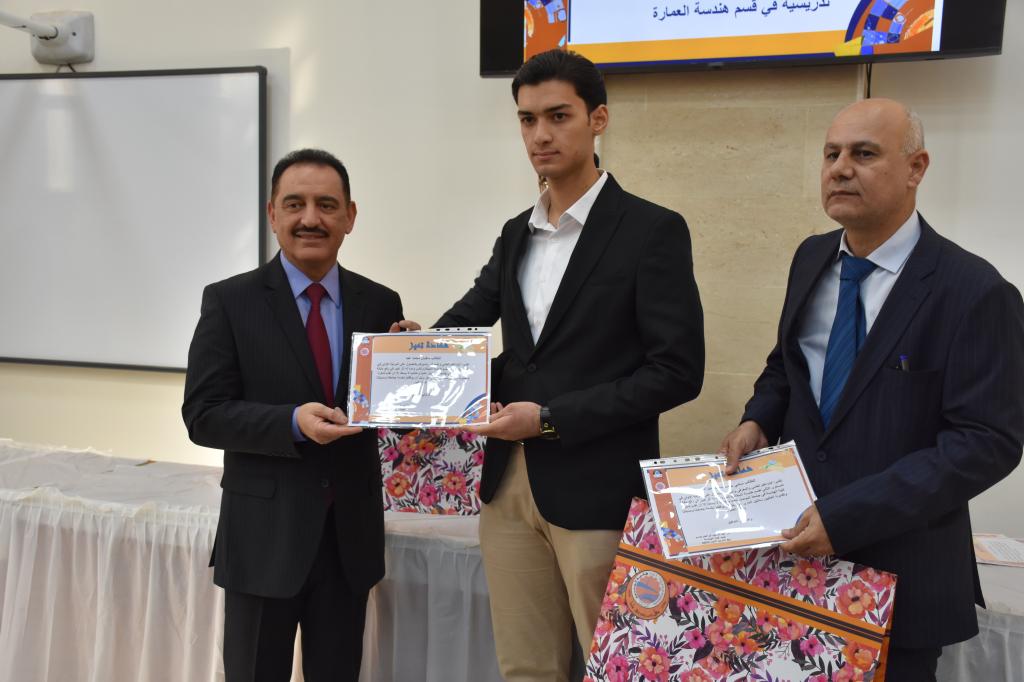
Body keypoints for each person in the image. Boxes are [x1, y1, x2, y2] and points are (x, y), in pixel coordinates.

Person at [718, 98, 1024, 681]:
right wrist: (757, 419)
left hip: (900, 585)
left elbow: (986, 443)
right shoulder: (811, 258)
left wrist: (848, 516)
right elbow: (786, 366)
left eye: (863, 154)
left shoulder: (975, 291)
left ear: (916, 168)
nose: (839, 169)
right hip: (792, 572)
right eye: (831, 154)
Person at [431, 49, 705, 680]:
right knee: (526, 669)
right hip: (506, 487)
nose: (540, 135)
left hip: (597, 488)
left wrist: (550, 418)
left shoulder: (651, 230)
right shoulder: (514, 234)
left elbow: (677, 371)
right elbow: (464, 322)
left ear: (597, 119)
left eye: (558, 116)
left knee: (617, 670)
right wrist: (408, 352)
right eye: (527, 120)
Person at [182, 149, 405, 681]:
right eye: (295, 204)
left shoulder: (380, 303)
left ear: (350, 216)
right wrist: (291, 423)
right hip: (263, 541)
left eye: (326, 205)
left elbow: (387, 415)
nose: (311, 219)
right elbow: (203, 414)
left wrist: (412, 368)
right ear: (272, 214)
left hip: (348, 543)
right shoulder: (230, 301)